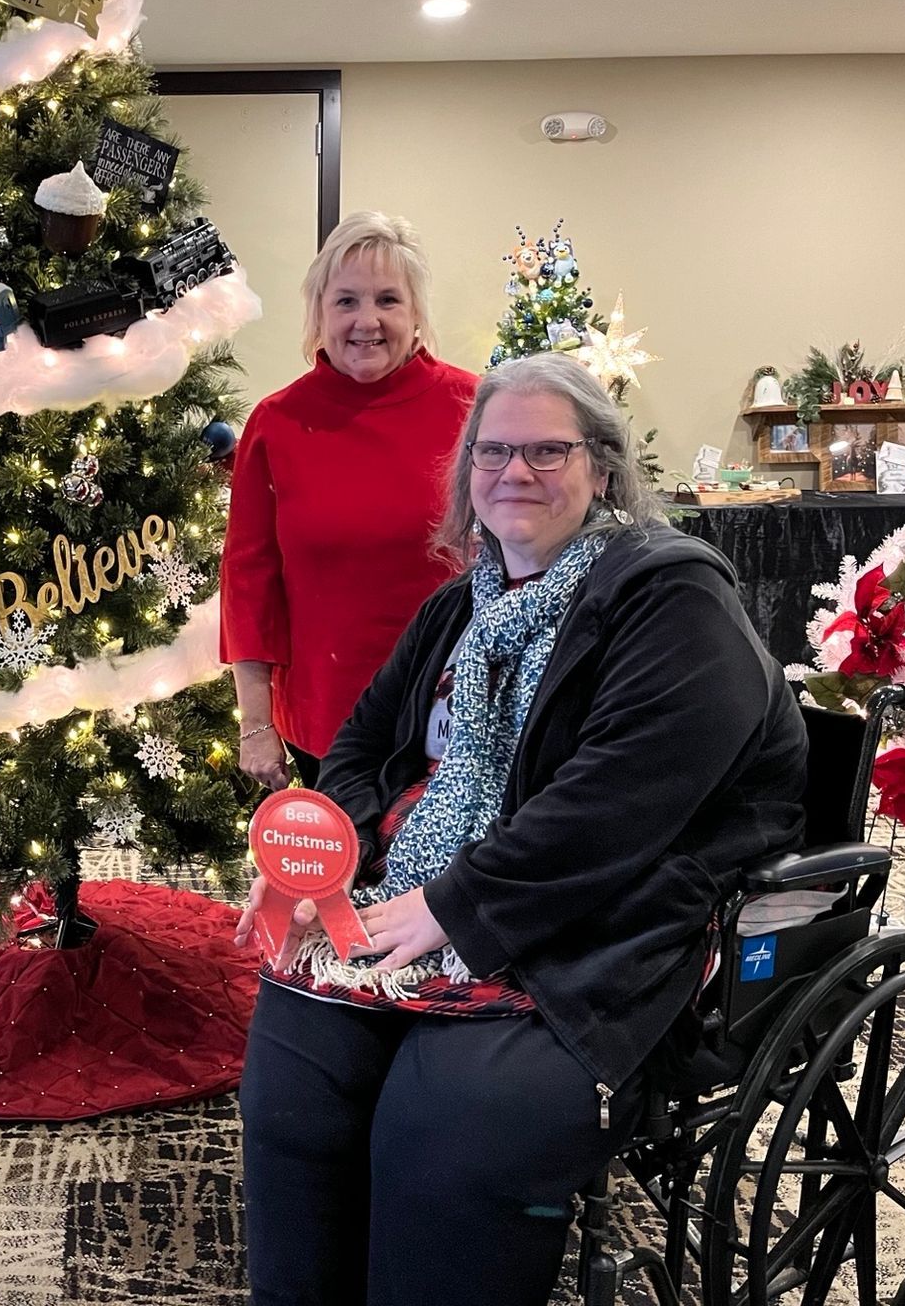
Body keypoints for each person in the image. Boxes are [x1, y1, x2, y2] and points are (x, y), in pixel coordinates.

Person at [233, 353, 808, 1306]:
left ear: (603, 468)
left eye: (548, 451)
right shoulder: (465, 600)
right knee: (297, 1072)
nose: (515, 473)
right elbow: (364, 743)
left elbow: (614, 805)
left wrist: (454, 905)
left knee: (450, 1123)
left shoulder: (671, 597)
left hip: (607, 910)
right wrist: (327, 852)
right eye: (493, 452)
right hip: (439, 879)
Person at [220, 211, 476, 790]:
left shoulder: (474, 408)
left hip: (456, 714)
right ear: (319, 313)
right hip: (328, 722)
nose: (367, 321)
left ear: (415, 312)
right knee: (347, 852)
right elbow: (249, 583)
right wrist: (255, 724)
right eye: (346, 301)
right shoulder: (276, 423)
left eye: (388, 299)